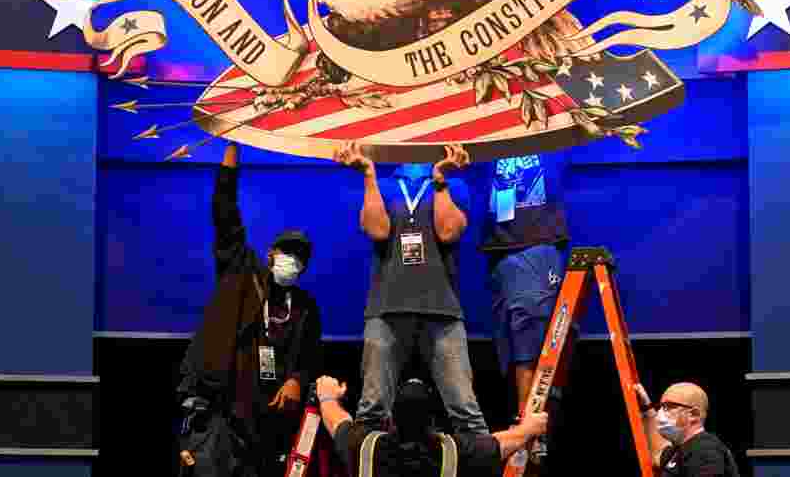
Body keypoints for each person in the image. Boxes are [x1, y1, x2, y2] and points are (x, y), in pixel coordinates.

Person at [176, 144, 324, 477]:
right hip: (218, 410)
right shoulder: (242, 271)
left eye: (300, 257)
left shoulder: (304, 307)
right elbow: (224, 212)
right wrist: (232, 148)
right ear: (271, 254)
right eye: (287, 252)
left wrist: (297, 380)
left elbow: (312, 357)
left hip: (265, 423)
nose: (293, 260)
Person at [333, 141, 489, 436]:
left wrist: (440, 182)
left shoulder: (455, 184)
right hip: (386, 308)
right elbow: (377, 229)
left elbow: (448, 232)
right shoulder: (383, 184)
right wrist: (368, 174)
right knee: (371, 410)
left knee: (466, 411)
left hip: (442, 310)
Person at [478, 150, 576, 464]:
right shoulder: (489, 130)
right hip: (498, 249)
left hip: (535, 244)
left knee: (529, 348)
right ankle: (529, 425)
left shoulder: (552, 134)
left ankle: (531, 433)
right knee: (510, 348)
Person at [314, 374, 549, 477]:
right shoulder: (451, 452)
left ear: (392, 421)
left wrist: (326, 395)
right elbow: (499, 444)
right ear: (434, 422)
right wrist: (529, 428)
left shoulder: (367, 447)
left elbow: (336, 422)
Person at [633, 381, 740, 476]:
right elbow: (658, 452)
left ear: (694, 414)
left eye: (669, 407)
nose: (660, 413)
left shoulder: (705, 450)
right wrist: (647, 408)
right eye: (661, 407)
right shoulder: (681, 449)